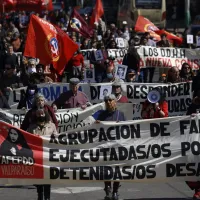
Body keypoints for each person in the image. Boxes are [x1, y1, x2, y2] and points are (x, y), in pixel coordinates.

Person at [96, 94, 126, 200]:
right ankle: (107, 189)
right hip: (105, 147)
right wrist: (97, 124)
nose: (108, 102)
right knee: (106, 169)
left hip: (117, 147)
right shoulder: (101, 115)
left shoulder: (120, 114)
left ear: (115, 101)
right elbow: (94, 129)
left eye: (110, 100)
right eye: (106, 100)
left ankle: (115, 191)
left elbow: (126, 130)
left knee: (117, 169)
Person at [27, 109, 57, 200]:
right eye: (38, 114)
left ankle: (47, 197)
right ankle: (40, 195)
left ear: (45, 114)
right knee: (39, 177)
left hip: (48, 155)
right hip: (37, 156)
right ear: (36, 116)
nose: (41, 115)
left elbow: (56, 137)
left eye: (42, 113)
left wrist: (54, 136)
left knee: (47, 177)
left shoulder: (52, 125)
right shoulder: (31, 127)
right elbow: (27, 140)